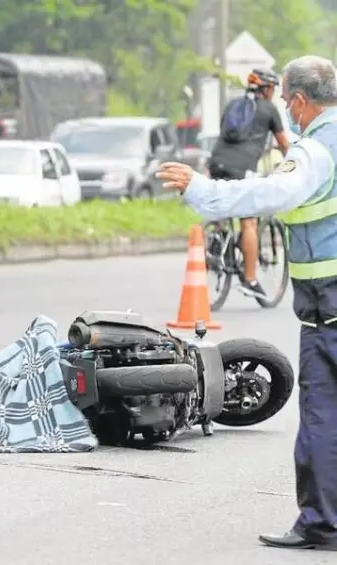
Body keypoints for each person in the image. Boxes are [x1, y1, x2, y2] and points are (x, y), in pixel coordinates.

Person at [156, 55, 337, 552]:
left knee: (323, 415)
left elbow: (274, 192)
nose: (288, 112)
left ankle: (323, 524)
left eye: (290, 105)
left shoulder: (318, 150)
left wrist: (202, 191)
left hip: (329, 310)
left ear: (299, 101)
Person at [207, 67, 290, 300]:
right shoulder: (269, 109)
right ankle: (251, 279)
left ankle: (219, 238)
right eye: (273, 89)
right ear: (267, 89)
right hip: (243, 168)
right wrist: (293, 166)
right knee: (249, 222)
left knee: (223, 204)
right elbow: (283, 143)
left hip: (217, 162)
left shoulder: (233, 104)